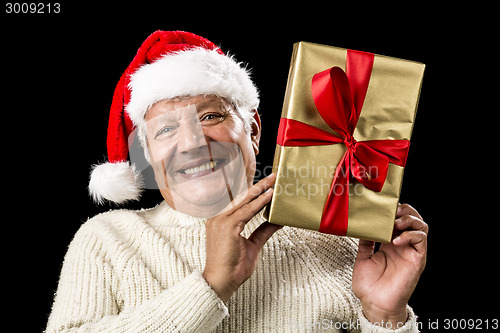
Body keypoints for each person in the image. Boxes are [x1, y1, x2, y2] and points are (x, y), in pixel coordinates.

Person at [46, 31, 428, 332]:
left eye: (211, 116)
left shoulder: (335, 234)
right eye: (165, 130)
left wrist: (383, 315)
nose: (193, 143)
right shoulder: (108, 238)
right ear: (147, 157)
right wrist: (211, 285)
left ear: (255, 131)